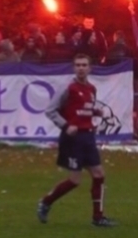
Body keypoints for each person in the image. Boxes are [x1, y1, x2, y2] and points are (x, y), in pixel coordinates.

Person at [37, 54, 116, 227]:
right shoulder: (68, 88)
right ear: (74, 68)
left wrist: (95, 112)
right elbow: (51, 110)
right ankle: (46, 202)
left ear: (90, 68)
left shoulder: (91, 89)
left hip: (87, 137)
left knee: (99, 174)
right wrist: (66, 126)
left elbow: (82, 109)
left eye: (84, 65)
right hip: (73, 139)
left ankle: (98, 217)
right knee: (75, 180)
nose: (81, 68)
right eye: (78, 65)